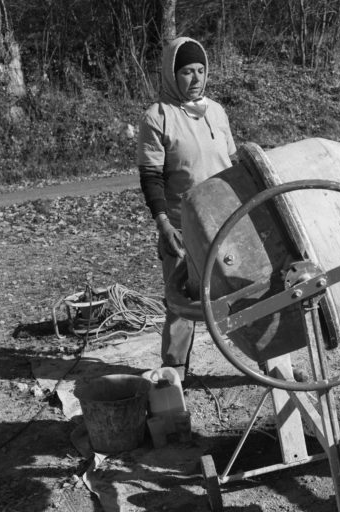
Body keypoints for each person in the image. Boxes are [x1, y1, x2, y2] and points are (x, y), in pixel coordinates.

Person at [137, 37, 237, 382]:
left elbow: (231, 163)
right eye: (186, 72)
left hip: (227, 222)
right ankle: (174, 375)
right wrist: (165, 225)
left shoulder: (218, 112)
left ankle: (272, 363)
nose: (195, 79)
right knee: (181, 303)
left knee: (249, 290)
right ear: (171, 74)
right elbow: (150, 177)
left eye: (200, 70)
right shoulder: (158, 117)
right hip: (182, 228)